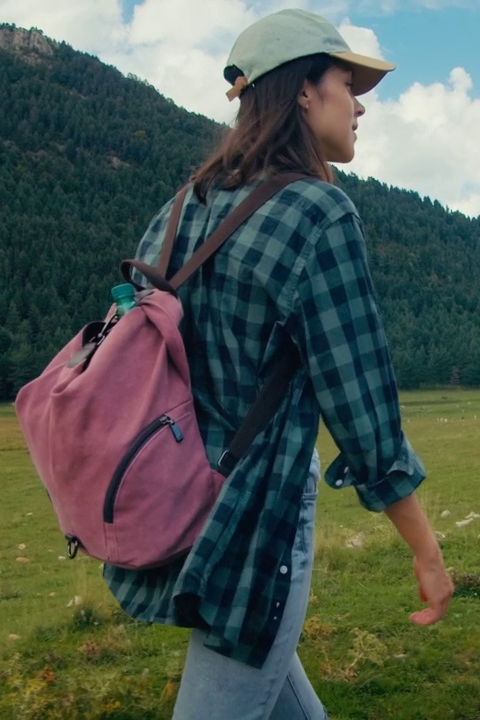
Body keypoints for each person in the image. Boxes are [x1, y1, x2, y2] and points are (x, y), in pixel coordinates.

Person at [103, 9, 453, 719]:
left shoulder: (180, 210)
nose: (358, 105)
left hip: (176, 499)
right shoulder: (318, 214)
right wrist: (426, 549)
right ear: (301, 91)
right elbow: (365, 416)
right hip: (255, 520)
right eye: (345, 83)